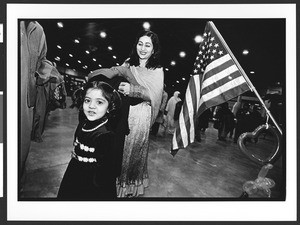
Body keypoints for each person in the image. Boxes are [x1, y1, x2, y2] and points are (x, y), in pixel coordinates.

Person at [89, 30, 164, 197]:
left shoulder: (157, 70)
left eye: (148, 45)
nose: (143, 49)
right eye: (140, 44)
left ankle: (128, 186)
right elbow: (116, 75)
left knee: (132, 151)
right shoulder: (129, 63)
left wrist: (134, 90)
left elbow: (155, 96)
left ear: (154, 49)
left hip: (140, 116)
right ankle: (112, 182)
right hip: (122, 114)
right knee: (117, 149)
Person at [57, 80, 122, 200]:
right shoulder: (84, 123)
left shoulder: (106, 135)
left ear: (109, 107)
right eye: (88, 100)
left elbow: (106, 172)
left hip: (92, 181)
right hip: (75, 170)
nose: (92, 106)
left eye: (99, 102)